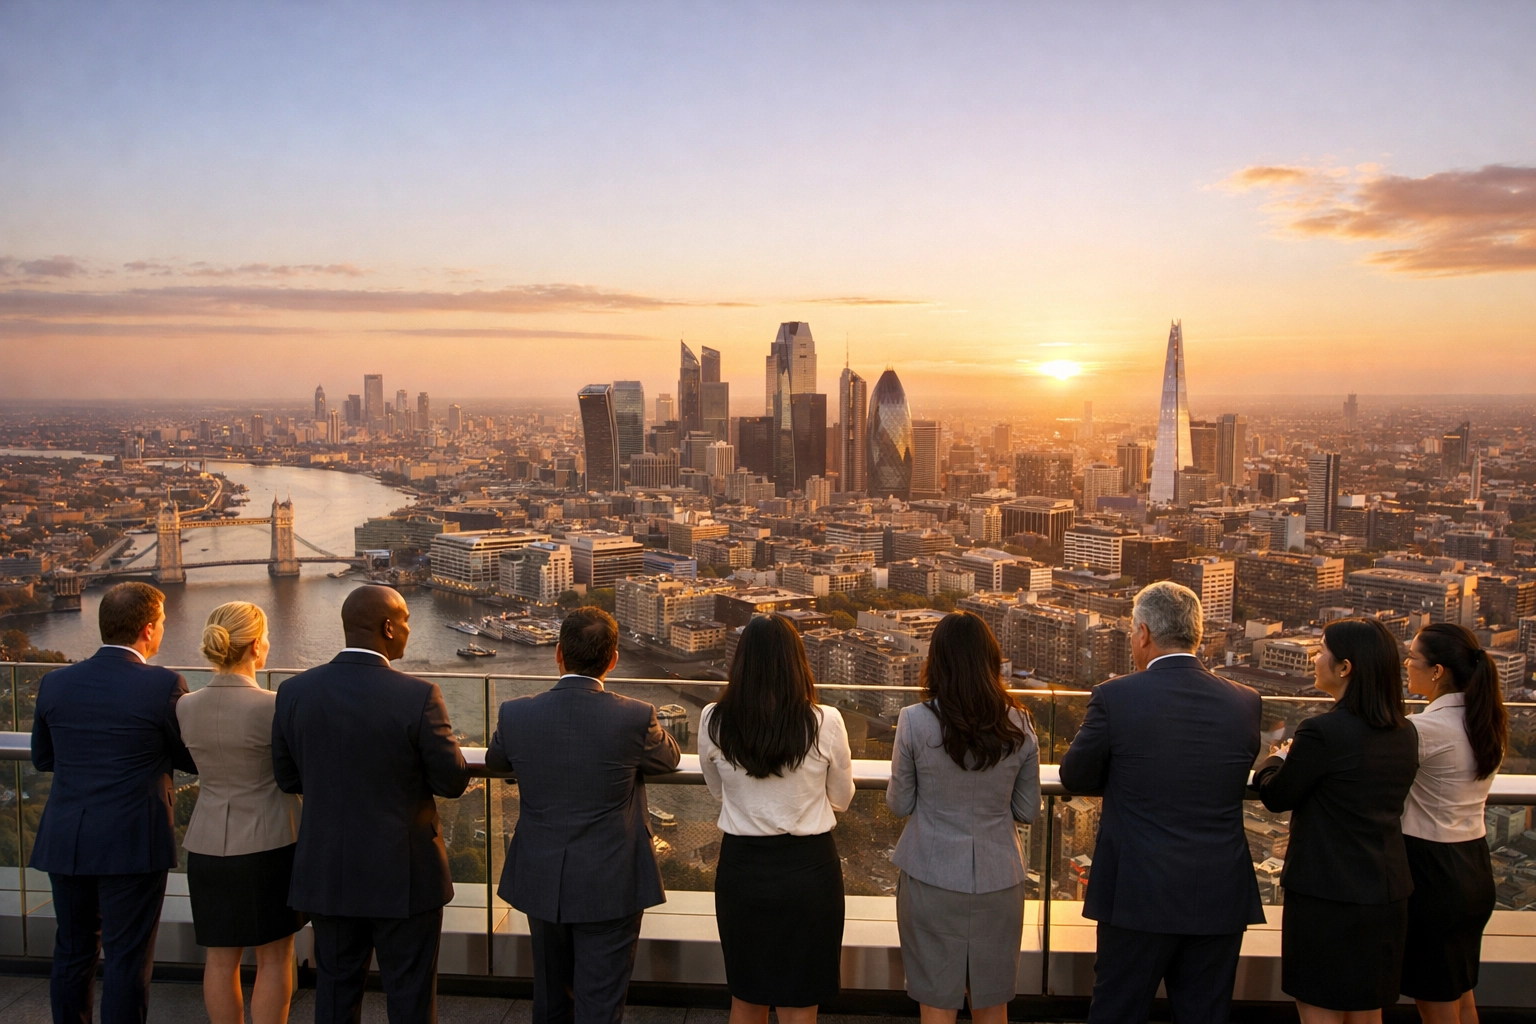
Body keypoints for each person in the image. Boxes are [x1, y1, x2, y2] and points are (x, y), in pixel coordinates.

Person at [1059, 581, 1264, 1024]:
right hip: (1218, 889)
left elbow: (1074, 775)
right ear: (1198, 635)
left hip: (1137, 888)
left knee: (1117, 1011)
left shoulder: (1116, 696)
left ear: (1144, 633)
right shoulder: (1246, 702)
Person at [271, 584, 468, 1024]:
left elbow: (287, 777)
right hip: (405, 873)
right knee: (410, 996)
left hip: (328, 869)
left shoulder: (294, 692)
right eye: (406, 621)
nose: (408, 630)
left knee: (336, 993)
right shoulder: (419, 695)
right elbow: (451, 781)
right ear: (386, 627)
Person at [485, 606, 682, 1024]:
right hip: (611, 880)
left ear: (558, 653)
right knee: (601, 1001)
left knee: (551, 995)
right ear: (613, 659)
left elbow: (497, 760)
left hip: (539, 875)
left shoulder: (517, 713)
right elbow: (668, 759)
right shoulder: (635, 715)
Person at [30, 581, 198, 1024]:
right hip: (132, 842)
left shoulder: (55, 683)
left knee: (72, 951)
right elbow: (188, 757)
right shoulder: (163, 685)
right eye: (162, 623)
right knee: (127, 959)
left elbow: (43, 758)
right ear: (147, 630)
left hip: (68, 837)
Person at [1254, 618, 1420, 1024]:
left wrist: (1278, 756)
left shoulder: (1322, 732)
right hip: (1385, 891)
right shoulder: (1405, 731)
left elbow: (1276, 795)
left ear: (1345, 667)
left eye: (1322, 649)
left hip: (1325, 895)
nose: (1315, 658)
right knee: (1367, 1013)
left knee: (1319, 1010)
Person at [699, 614, 855, 1024]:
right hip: (809, 871)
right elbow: (841, 799)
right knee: (799, 1003)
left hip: (742, 868)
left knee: (746, 998)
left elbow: (718, 791)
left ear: (742, 662)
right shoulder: (827, 722)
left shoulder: (713, 720)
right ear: (797, 662)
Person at [886, 611, 1040, 1024]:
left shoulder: (915, 721)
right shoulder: (1020, 723)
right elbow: (1027, 810)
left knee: (936, 1002)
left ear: (936, 661)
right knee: (992, 1003)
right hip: (998, 877)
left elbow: (899, 803)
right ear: (991, 661)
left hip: (930, 876)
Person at [177, 601, 304, 1024]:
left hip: (208, 846)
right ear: (254, 646)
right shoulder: (274, 705)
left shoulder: (185, 707)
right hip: (271, 842)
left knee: (219, 960)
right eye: (265, 636)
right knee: (274, 959)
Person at [1400, 623, 1506, 1024]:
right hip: (1474, 866)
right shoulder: (1487, 724)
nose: (1406, 665)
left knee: (1435, 1000)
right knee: (1460, 993)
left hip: (1433, 873)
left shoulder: (1425, 730)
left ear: (1438, 671)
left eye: (1411, 658)